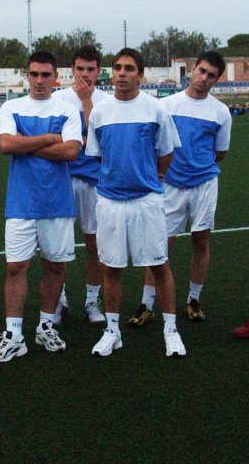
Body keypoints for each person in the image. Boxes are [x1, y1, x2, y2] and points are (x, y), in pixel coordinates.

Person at [85, 48, 184, 358]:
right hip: (111, 202)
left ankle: (171, 329)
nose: (122, 73)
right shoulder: (99, 113)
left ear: (140, 74)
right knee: (111, 268)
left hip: (147, 201)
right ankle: (112, 331)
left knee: (159, 265)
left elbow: (166, 151)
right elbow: (99, 155)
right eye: (117, 67)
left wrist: (153, 175)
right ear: (111, 73)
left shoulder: (155, 109)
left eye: (129, 68)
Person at [0, 51, 82, 363]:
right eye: (34, 74)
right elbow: (6, 145)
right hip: (21, 204)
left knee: (55, 266)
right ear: (26, 76)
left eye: (46, 75)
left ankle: (45, 325)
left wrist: (26, 144)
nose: (40, 80)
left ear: (56, 77)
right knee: (16, 267)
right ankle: (14, 335)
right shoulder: (11, 107)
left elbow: (70, 153)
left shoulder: (68, 109)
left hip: (57, 204)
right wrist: (48, 138)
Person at [135, 51, 232, 325]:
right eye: (201, 71)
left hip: (204, 184)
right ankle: (146, 303)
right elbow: (155, 146)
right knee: (161, 244)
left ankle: (193, 299)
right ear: (192, 70)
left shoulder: (220, 112)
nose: (203, 78)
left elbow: (219, 153)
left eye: (211, 75)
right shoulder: (166, 105)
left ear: (216, 79)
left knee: (201, 240)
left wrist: (198, 169)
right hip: (170, 185)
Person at [51, 45, 112, 325]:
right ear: (72, 70)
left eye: (90, 69)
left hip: (95, 181)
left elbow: (98, 140)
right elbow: (57, 141)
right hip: (62, 178)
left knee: (94, 244)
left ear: (99, 71)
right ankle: (59, 299)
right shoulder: (57, 99)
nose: (85, 75)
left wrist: (87, 103)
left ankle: (91, 301)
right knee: (58, 244)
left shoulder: (106, 101)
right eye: (80, 69)